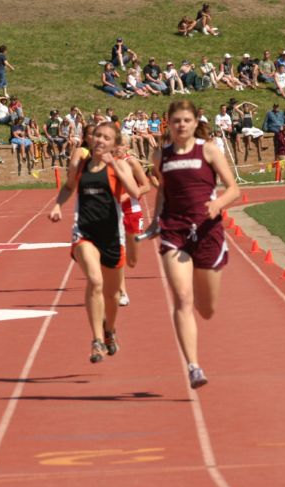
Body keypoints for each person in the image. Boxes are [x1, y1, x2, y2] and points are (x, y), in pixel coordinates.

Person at [147, 100, 239, 388]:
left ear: (195, 120)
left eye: (186, 120)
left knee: (207, 309)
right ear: (168, 122)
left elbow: (234, 188)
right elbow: (163, 190)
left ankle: (200, 304)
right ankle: (194, 366)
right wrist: (154, 221)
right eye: (176, 120)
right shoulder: (160, 155)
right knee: (182, 298)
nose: (181, 125)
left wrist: (218, 204)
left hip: (208, 231)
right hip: (174, 231)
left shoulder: (208, 150)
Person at [48, 122, 141, 363]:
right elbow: (69, 187)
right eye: (97, 135)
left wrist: (115, 167)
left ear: (114, 143)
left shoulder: (119, 165)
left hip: (112, 236)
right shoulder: (81, 166)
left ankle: (109, 330)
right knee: (94, 280)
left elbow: (135, 191)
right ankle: (97, 340)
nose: (100, 140)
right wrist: (58, 204)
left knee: (111, 296)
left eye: (106, 137)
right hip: (84, 233)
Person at [117, 139, 152, 306]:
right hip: (113, 214)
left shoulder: (131, 163)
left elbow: (146, 186)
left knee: (132, 261)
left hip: (132, 212)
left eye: (120, 144)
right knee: (118, 252)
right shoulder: (107, 163)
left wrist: (127, 195)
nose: (116, 147)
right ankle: (122, 292)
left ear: (126, 147)